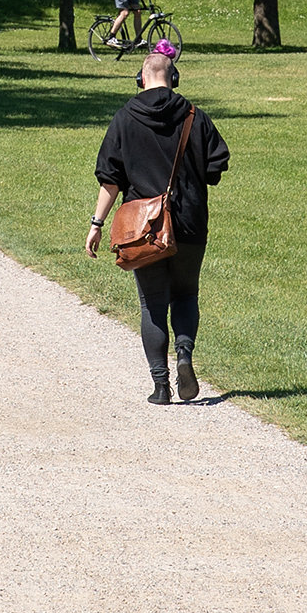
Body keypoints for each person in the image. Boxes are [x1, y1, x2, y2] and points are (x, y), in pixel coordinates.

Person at [84, 41, 231, 405]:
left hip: (143, 228)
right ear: (174, 78)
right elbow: (216, 168)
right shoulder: (196, 116)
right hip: (190, 223)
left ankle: (161, 386)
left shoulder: (123, 118)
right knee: (186, 294)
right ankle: (184, 353)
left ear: (141, 79)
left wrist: (97, 223)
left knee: (152, 303)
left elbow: (110, 179)